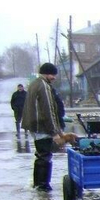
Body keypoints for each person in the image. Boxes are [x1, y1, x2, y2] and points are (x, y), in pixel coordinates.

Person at [22, 63, 63, 191]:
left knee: (40, 155)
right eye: (52, 74)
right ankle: (43, 185)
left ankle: (38, 184)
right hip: (42, 126)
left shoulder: (34, 84)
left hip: (34, 125)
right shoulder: (44, 86)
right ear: (46, 73)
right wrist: (54, 131)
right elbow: (48, 110)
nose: (54, 77)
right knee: (45, 156)